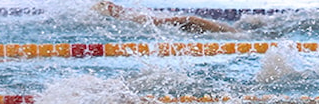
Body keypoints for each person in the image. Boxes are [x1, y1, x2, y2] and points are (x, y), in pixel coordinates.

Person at [93, 1, 239, 34]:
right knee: (189, 20)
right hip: (234, 31)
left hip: (233, 33)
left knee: (190, 20)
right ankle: (129, 15)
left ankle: (127, 15)